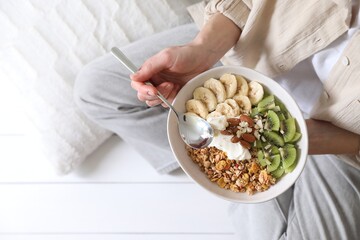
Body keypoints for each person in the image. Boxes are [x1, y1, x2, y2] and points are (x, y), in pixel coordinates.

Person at [74, 0, 360, 239]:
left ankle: (241, 183)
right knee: (95, 89)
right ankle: (207, 164)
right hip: (246, 55)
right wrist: (205, 49)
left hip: (339, 140)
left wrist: (296, 140)